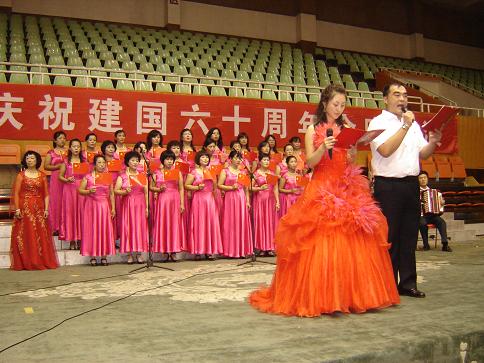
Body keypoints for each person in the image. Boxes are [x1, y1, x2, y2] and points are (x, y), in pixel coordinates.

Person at [249, 84, 399, 317]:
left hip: (346, 186)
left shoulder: (346, 127)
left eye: (342, 105)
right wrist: (323, 148)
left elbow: (349, 160)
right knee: (321, 243)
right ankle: (323, 297)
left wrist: (351, 152)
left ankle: (350, 295)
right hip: (321, 187)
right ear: (325, 104)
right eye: (335, 104)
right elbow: (310, 162)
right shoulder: (313, 130)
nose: (339, 109)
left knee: (353, 241)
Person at [368, 81, 442, 298]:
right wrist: (405, 126)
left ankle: (408, 283)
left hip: (411, 184)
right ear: (385, 98)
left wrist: (434, 142)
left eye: (405, 95)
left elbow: (424, 154)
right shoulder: (377, 122)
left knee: (409, 236)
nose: (402, 99)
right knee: (389, 236)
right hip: (388, 186)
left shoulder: (413, 124)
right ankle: (388, 284)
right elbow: (386, 150)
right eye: (397, 94)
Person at [10, 151, 59, 270]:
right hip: (25, 207)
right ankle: (26, 262)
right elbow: (16, 193)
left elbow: (46, 194)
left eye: (32, 158)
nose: (29, 160)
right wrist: (17, 209)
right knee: (25, 234)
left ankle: (40, 260)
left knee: (40, 234)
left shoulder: (42, 175)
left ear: (37, 160)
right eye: (27, 158)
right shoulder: (21, 175)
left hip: (39, 208)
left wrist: (46, 209)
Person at [184, 151, 223, 260]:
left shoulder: (212, 171)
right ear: (198, 159)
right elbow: (186, 185)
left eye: (207, 157)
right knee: (199, 224)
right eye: (203, 157)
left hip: (209, 199)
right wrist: (196, 188)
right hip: (199, 199)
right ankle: (198, 250)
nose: (205, 159)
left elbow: (215, 187)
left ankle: (209, 250)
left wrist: (215, 198)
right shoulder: (194, 172)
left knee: (210, 224)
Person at [78, 155, 116, 266]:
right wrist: (89, 191)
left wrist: (113, 208)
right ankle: (93, 256)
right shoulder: (88, 177)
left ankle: (104, 256)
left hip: (104, 205)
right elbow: (80, 190)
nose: (102, 165)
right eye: (99, 162)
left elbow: (112, 193)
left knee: (104, 229)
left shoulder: (108, 177)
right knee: (92, 229)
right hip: (91, 205)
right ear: (94, 164)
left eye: (103, 162)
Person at [150, 150, 186, 262]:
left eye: (171, 159)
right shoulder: (157, 173)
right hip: (163, 200)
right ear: (163, 160)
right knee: (164, 223)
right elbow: (151, 187)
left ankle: (174, 250)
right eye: (167, 159)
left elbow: (181, 188)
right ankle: (165, 250)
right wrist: (159, 189)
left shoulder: (177, 172)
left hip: (174, 199)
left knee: (174, 224)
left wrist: (182, 203)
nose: (169, 161)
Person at [115, 151, 149, 264]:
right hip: (128, 204)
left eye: (137, 160)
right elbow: (115, 190)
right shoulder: (122, 176)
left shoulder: (142, 175)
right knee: (128, 227)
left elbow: (146, 192)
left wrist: (147, 207)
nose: (135, 162)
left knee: (140, 227)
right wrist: (125, 191)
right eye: (132, 160)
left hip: (140, 204)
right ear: (127, 162)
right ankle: (129, 254)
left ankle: (139, 253)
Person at [218, 151, 253, 258]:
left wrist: (247, 201)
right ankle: (230, 251)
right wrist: (230, 188)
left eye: (239, 158)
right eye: (236, 158)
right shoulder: (225, 171)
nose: (238, 160)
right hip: (230, 198)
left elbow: (246, 188)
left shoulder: (243, 172)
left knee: (240, 223)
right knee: (230, 223)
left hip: (241, 198)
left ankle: (241, 250)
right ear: (230, 159)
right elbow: (219, 185)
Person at [58, 139, 86, 250]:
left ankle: (80, 239)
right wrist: (66, 179)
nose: (76, 148)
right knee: (70, 213)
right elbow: (60, 176)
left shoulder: (84, 161)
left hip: (81, 189)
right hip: (69, 189)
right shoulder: (66, 161)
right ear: (70, 148)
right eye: (74, 146)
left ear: (80, 148)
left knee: (81, 213)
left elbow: (88, 176)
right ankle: (71, 239)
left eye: (78, 146)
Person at [251, 153, 280, 257]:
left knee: (270, 223)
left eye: (268, 160)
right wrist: (259, 188)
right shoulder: (256, 173)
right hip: (259, 201)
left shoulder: (272, 174)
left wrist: (277, 201)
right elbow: (249, 188)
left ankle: (270, 247)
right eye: (264, 160)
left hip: (270, 201)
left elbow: (275, 188)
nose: (266, 162)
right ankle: (261, 247)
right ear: (259, 161)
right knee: (261, 223)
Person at [418, 171, 452, 252]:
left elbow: (440, 204)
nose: (423, 180)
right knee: (422, 223)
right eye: (421, 178)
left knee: (442, 222)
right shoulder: (415, 192)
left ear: (427, 179)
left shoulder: (434, 192)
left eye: (424, 178)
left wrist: (442, 203)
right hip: (421, 215)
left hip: (432, 215)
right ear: (418, 180)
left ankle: (445, 244)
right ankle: (426, 245)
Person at [44, 131, 67, 235]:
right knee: (56, 201)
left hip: (67, 178)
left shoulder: (69, 152)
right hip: (56, 179)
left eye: (64, 138)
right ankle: (55, 226)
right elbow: (46, 166)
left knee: (66, 202)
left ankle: (66, 226)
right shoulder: (51, 152)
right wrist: (57, 167)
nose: (62, 140)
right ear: (55, 140)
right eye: (60, 138)